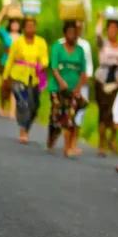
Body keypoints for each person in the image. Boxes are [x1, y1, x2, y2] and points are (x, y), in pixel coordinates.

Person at [2, 17, 48, 143]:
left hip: (34, 77)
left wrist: (43, 65)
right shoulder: (18, 42)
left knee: (34, 105)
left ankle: (27, 127)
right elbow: (10, 59)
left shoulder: (41, 42)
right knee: (23, 102)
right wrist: (6, 77)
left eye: (33, 26)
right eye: (28, 26)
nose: (31, 29)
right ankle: (22, 129)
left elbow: (44, 58)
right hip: (19, 75)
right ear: (23, 28)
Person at [46, 21, 90, 156]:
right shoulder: (57, 48)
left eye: (75, 33)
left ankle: (67, 147)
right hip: (57, 89)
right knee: (56, 116)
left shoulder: (80, 50)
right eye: (70, 33)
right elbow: (54, 68)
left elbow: (83, 72)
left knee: (70, 117)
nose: (72, 36)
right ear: (65, 34)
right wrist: (61, 82)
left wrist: (78, 87)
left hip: (73, 90)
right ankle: (51, 140)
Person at [94, 11, 118, 157]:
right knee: (103, 112)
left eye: (115, 29)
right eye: (110, 28)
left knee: (116, 111)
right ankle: (101, 142)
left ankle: (112, 138)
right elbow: (97, 35)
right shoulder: (103, 44)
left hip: (117, 81)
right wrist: (100, 19)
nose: (112, 31)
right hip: (102, 79)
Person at [0, 4, 23, 119]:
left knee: (14, 87)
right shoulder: (5, 34)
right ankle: (2, 105)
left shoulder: (22, 36)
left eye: (17, 23)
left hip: (17, 64)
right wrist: (3, 11)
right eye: (13, 23)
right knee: (5, 86)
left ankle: (12, 110)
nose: (15, 25)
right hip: (6, 62)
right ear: (10, 24)